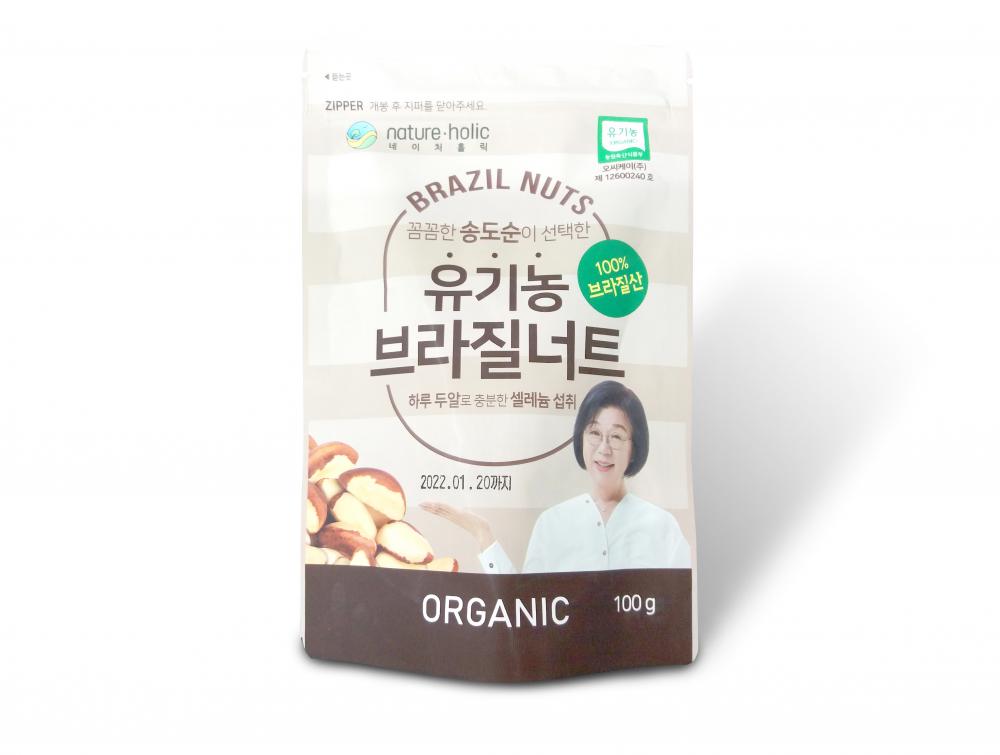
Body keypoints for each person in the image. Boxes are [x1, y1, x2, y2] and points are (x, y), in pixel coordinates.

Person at [421, 380, 691, 573]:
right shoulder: (552, 523)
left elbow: (678, 611)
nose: (604, 448)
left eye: (617, 436)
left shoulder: (662, 527)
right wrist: (483, 534)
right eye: (594, 433)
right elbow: (525, 608)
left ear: (635, 448)